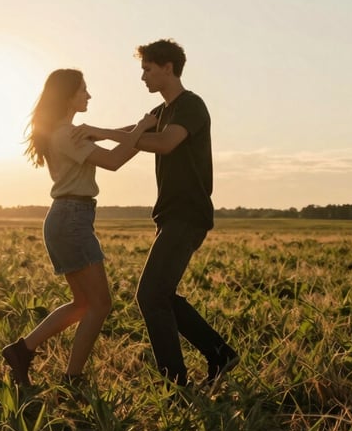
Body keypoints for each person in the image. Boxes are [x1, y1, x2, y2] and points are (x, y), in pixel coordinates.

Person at [76, 39, 236, 388]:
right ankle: (219, 354)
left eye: (148, 69)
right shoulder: (160, 114)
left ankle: (175, 380)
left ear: (168, 67)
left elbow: (165, 144)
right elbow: (135, 138)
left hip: (188, 213)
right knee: (159, 294)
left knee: (150, 295)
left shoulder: (191, 105)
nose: (143, 77)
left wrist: (102, 132)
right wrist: (109, 133)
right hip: (170, 215)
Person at [1, 68, 156, 388]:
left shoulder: (67, 131)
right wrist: (143, 128)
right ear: (68, 95)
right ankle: (73, 377)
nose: (89, 95)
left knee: (83, 303)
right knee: (100, 304)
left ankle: (22, 350)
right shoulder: (66, 135)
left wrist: (145, 126)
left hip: (67, 217)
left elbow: (115, 135)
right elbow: (114, 160)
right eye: (83, 90)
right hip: (72, 218)